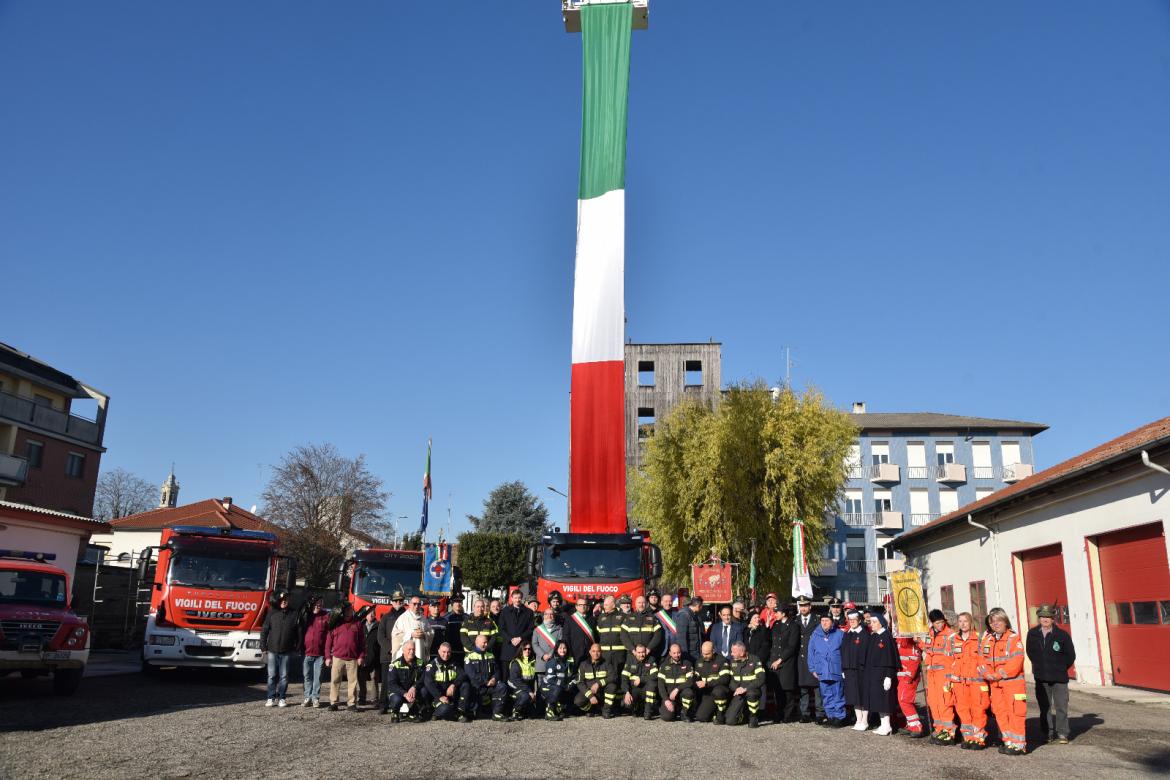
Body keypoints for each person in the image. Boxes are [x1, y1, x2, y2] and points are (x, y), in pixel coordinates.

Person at [1026, 604, 1076, 745]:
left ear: (1053, 619)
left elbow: (1070, 655)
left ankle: (1062, 733)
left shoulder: (1062, 635)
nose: (1045, 619)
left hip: (1059, 678)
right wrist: (1040, 666)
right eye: (1042, 616)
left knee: (1061, 707)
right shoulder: (1032, 633)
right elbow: (1030, 652)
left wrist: (1059, 668)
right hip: (1041, 677)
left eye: (1048, 617)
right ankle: (1047, 733)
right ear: (1039, 618)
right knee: (1044, 707)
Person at [981, 607, 1027, 756]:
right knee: (1000, 713)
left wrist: (998, 674)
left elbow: (1016, 662)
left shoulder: (1014, 639)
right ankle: (1009, 741)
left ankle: (1019, 744)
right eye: (992, 622)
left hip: (1012, 683)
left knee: (1015, 713)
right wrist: (987, 674)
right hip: (995, 684)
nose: (996, 624)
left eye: (998, 621)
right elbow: (981, 660)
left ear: (1005, 621)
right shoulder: (987, 639)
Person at [947, 611, 989, 749]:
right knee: (963, 710)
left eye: (966, 621)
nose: (963, 624)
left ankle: (978, 738)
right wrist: (949, 678)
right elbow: (949, 660)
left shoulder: (980, 638)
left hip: (977, 682)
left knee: (978, 710)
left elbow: (985, 660)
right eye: (960, 621)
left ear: (971, 622)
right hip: (960, 682)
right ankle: (968, 737)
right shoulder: (953, 639)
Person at [921, 608, 958, 745]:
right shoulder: (930, 634)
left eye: (941, 622)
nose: (940, 625)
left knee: (945, 704)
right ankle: (939, 729)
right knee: (933, 703)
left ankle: (949, 733)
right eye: (936, 623)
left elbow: (954, 658)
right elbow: (926, 648)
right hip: (932, 674)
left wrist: (950, 678)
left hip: (944, 674)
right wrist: (918, 641)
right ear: (932, 623)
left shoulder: (950, 635)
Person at [859, 612, 899, 735]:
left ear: (881, 622)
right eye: (871, 622)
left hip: (883, 674)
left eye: (874, 622)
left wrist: (889, 676)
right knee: (878, 700)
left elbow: (891, 658)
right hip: (873, 674)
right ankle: (883, 725)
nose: (872, 624)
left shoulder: (887, 637)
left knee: (884, 700)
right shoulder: (874, 636)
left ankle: (887, 726)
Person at [259, 590, 299, 708]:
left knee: (284, 676)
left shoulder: (294, 614)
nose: (284, 602)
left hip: (286, 650)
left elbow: (298, 632)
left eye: (286, 600)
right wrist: (263, 646)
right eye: (282, 600)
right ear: (279, 601)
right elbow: (265, 630)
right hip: (272, 650)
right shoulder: (272, 613)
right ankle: (270, 697)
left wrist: (297, 645)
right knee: (271, 675)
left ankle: (282, 697)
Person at [807, 613, 847, 728]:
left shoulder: (839, 634)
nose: (824, 623)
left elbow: (845, 652)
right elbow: (811, 652)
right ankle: (830, 716)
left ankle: (839, 717)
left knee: (837, 693)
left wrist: (844, 668)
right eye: (822, 620)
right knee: (826, 694)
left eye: (827, 620)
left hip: (836, 668)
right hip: (821, 669)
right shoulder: (815, 635)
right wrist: (812, 668)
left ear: (832, 622)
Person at [325, 604, 365, 712]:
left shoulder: (357, 624)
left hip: (353, 658)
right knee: (335, 680)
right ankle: (334, 702)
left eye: (350, 609)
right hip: (337, 657)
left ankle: (351, 703)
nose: (349, 611)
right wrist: (328, 657)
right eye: (347, 610)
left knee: (353, 682)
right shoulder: (336, 623)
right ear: (343, 611)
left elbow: (362, 642)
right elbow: (329, 641)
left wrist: (361, 656)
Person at [459, 633, 505, 722]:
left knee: (502, 687)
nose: (486, 644)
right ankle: (466, 711)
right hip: (477, 686)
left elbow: (497, 670)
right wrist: (485, 682)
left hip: (489, 685)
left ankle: (497, 713)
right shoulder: (469, 656)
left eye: (487, 642)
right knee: (477, 714)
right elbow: (471, 675)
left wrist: (494, 679)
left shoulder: (490, 655)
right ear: (477, 643)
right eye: (484, 643)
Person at [768, 605, 800, 723]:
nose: (775, 614)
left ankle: (788, 715)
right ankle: (779, 713)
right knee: (778, 690)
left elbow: (792, 647)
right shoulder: (776, 625)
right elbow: (773, 643)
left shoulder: (793, 626)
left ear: (784, 613)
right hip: (775, 661)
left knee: (788, 690)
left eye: (777, 612)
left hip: (787, 662)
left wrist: (780, 659)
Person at [795, 596, 824, 723]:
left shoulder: (817, 620)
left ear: (810, 606)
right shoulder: (795, 620)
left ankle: (819, 713)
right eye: (801, 606)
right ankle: (804, 713)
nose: (803, 608)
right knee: (803, 688)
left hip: (814, 657)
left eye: (806, 605)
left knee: (817, 688)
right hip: (800, 658)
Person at [725, 641, 765, 728]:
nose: (731, 654)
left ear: (742, 653)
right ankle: (743, 716)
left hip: (752, 690)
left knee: (752, 694)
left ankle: (753, 717)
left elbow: (761, 679)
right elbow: (731, 681)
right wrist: (736, 689)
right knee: (730, 721)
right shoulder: (733, 662)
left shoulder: (755, 660)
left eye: (734, 652)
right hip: (739, 692)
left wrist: (746, 688)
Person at [385, 639, 425, 721]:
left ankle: (413, 712)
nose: (411, 652)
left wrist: (414, 687)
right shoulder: (395, 664)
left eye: (413, 649)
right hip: (399, 693)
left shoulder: (420, 663)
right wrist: (405, 693)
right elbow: (392, 684)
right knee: (396, 700)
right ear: (403, 650)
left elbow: (423, 679)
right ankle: (395, 712)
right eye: (409, 649)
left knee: (424, 691)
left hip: (413, 692)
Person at [300, 596, 329, 708]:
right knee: (307, 676)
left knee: (317, 678)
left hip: (319, 654)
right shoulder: (307, 615)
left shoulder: (326, 616)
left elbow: (328, 636)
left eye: (321, 603)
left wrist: (327, 655)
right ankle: (307, 697)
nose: (318, 605)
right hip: (307, 653)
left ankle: (315, 698)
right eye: (317, 603)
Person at [693, 640, 732, 724]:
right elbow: (696, 677)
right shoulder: (699, 661)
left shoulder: (722, 661)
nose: (704, 656)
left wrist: (707, 683)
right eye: (703, 653)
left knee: (718, 691)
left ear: (713, 651)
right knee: (701, 717)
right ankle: (713, 712)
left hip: (720, 691)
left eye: (707, 654)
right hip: (707, 693)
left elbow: (725, 679)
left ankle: (721, 713)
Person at [422, 642, 462, 722]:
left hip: (450, 694)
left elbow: (463, 675)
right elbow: (428, 683)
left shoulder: (455, 663)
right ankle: (432, 711)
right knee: (424, 690)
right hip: (437, 695)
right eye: (443, 652)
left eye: (448, 652)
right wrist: (439, 696)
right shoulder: (432, 665)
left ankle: (460, 711)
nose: (446, 654)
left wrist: (454, 685)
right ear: (439, 651)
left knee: (466, 685)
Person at [617, 643, 658, 720]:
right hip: (634, 689)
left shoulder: (651, 659)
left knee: (652, 684)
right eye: (639, 652)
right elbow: (624, 678)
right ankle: (636, 708)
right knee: (626, 704)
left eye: (643, 652)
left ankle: (648, 712)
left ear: (645, 651)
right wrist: (626, 692)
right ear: (635, 652)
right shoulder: (630, 660)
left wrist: (641, 679)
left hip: (646, 689)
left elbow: (655, 675)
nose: (641, 655)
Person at [895, 634, 925, 737]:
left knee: (905, 700)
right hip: (900, 677)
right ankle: (910, 724)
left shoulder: (912, 646)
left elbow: (915, 662)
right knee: (902, 701)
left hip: (908, 679)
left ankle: (917, 726)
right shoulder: (898, 641)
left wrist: (908, 678)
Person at [840, 609, 866, 727]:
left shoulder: (864, 634)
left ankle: (864, 720)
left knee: (862, 696)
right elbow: (843, 652)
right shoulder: (847, 634)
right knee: (853, 696)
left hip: (860, 670)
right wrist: (843, 668)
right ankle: (858, 719)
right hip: (849, 670)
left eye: (854, 620)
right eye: (850, 620)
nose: (852, 622)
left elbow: (865, 654)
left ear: (859, 620)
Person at [657, 642, 695, 722]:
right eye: (674, 653)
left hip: (681, 694)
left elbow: (691, 681)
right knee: (667, 717)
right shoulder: (664, 665)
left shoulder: (687, 664)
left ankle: (684, 713)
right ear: (670, 653)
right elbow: (661, 685)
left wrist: (677, 689)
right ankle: (670, 709)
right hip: (670, 697)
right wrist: (666, 700)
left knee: (689, 692)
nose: (676, 655)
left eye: (678, 652)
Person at [392, 596, 435, 663]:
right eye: (414, 604)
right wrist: (410, 634)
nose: (417, 606)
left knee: (419, 670)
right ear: (409, 604)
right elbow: (395, 635)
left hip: (420, 653)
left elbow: (431, 633)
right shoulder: (403, 618)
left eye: (418, 604)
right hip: (406, 656)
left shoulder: (423, 619)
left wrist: (424, 634)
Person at [541, 641, 576, 720]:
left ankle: (559, 708)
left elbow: (574, 676)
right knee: (557, 688)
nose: (562, 650)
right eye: (560, 648)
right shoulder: (552, 662)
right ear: (556, 649)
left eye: (564, 648)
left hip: (562, 687)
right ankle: (549, 712)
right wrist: (564, 686)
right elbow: (550, 679)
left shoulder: (569, 662)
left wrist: (571, 684)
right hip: (548, 688)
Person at [574, 642, 611, 717]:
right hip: (589, 691)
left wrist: (598, 684)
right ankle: (591, 709)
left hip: (602, 691)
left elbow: (613, 677)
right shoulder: (583, 665)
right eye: (593, 651)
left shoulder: (607, 663)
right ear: (590, 652)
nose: (596, 653)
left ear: (601, 652)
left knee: (612, 686)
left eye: (598, 651)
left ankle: (606, 709)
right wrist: (590, 696)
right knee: (578, 701)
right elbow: (580, 683)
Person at [507, 642, 539, 720]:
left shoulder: (533, 662)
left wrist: (535, 691)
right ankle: (516, 711)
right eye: (525, 649)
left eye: (529, 649)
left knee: (534, 714)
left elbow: (535, 679)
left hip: (527, 689)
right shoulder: (516, 662)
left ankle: (523, 711)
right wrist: (530, 692)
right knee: (525, 696)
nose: (527, 651)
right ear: (521, 650)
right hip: (515, 688)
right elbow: (516, 681)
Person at [357, 606, 381, 707]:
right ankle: (362, 698)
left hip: (375, 657)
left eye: (373, 613)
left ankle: (375, 699)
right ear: (365, 615)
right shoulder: (360, 625)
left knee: (374, 678)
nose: (371, 615)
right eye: (369, 613)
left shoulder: (379, 625)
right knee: (361, 678)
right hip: (362, 657)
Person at [533, 607, 562, 683]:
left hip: (554, 661)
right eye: (547, 614)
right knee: (540, 688)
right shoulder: (537, 629)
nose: (549, 616)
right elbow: (534, 644)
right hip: (541, 663)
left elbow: (560, 644)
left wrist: (550, 654)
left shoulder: (559, 629)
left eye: (551, 614)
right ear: (543, 616)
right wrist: (543, 655)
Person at [564, 598, 598, 664]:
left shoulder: (592, 620)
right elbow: (566, 637)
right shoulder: (569, 619)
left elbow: (596, 636)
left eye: (585, 604)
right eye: (580, 605)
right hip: (575, 653)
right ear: (576, 607)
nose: (583, 606)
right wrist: (569, 652)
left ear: (588, 607)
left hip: (590, 653)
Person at [596, 596, 626, 665]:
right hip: (605, 654)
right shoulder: (601, 617)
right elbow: (598, 635)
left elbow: (626, 635)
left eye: (606, 605)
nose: (604, 607)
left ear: (613, 605)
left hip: (619, 653)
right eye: (604, 605)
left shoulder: (623, 617)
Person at [674, 596, 704, 662]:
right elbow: (681, 638)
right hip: (689, 653)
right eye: (702, 606)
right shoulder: (684, 615)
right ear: (698, 605)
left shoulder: (695, 615)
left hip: (696, 651)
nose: (702, 608)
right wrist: (685, 657)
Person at [653, 593, 678, 658]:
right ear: (661, 602)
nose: (668, 603)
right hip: (662, 649)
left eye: (670, 601)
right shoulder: (656, 616)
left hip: (675, 650)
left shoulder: (678, 615)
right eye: (666, 601)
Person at [443, 598, 466, 666]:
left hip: (463, 650)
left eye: (460, 602)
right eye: (456, 602)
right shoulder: (446, 618)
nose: (458, 604)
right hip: (451, 650)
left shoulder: (466, 618)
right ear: (452, 604)